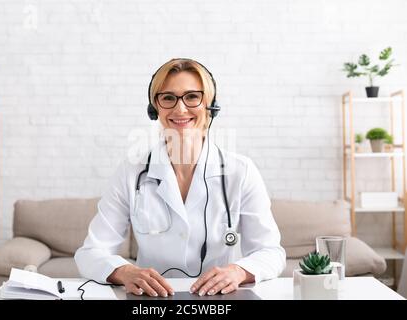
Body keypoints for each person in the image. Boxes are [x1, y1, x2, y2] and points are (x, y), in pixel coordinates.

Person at [75, 58, 286, 297]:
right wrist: (124, 272)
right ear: (155, 109)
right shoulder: (131, 172)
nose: (180, 109)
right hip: (153, 301)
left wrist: (238, 271)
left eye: (192, 97)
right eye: (168, 98)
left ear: (210, 106)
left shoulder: (241, 171)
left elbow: (271, 252)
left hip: (219, 301)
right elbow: (90, 252)